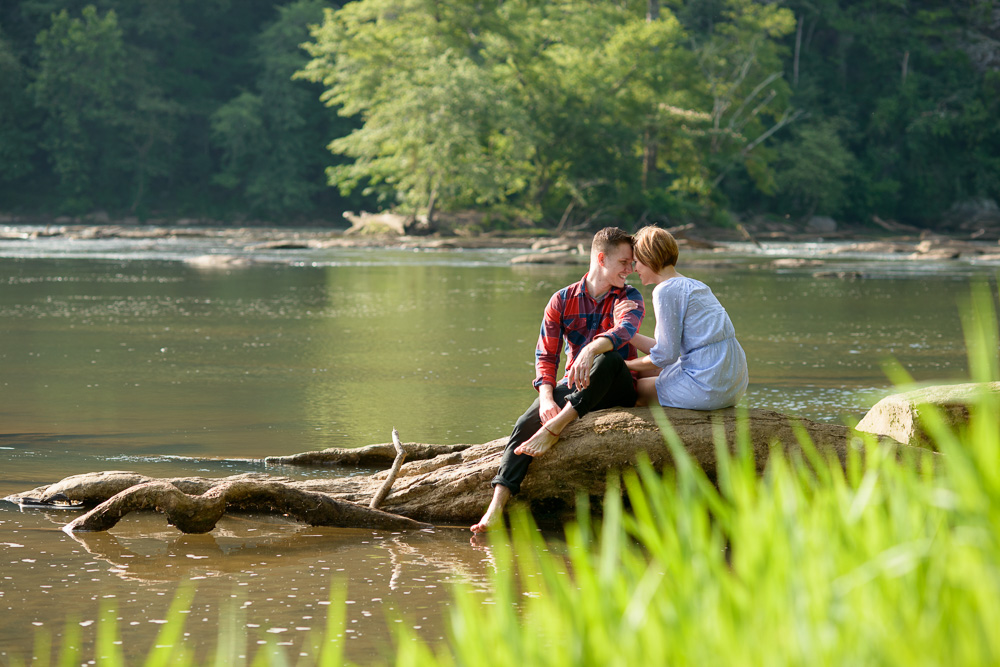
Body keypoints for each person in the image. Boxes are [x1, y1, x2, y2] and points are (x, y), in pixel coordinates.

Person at [470, 227, 645, 533]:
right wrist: (548, 398)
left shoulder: (628, 296)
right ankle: (494, 508)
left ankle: (555, 428)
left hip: (615, 386)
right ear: (601, 258)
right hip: (576, 389)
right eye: (625, 262)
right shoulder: (562, 299)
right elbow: (546, 356)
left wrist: (591, 348)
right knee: (525, 422)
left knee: (610, 358)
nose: (630, 270)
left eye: (632, 264)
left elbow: (626, 331)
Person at [619, 225, 748, 410]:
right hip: (732, 382)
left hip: (708, 384)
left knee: (632, 388)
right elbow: (664, 348)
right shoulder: (694, 284)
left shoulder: (665, 290)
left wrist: (625, 365)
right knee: (643, 374)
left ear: (649, 258)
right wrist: (626, 333)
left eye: (637, 261)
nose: (634, 269)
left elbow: (665, 355)